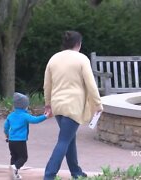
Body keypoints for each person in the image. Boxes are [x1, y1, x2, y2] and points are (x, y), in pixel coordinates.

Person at [43, 31, 103, 180]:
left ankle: (76, 172)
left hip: (58, 105)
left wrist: (48, 104)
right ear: (79, 44)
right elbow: (91, 84)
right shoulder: (82, 59)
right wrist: (97, 104)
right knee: (64, 140)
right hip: (73, 106)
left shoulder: (54, 58)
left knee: (69, 138)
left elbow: (47, 84)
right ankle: (49, 175)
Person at [4, 92, 50, 180]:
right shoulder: (25, 115)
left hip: (11, 141)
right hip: (20, 140)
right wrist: (45, 116)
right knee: (23, 157)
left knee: (14, 156)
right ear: (25, 106)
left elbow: (6, 127)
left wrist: (7, 135)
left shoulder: (10, 115)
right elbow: (35, 120)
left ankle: (14, 174)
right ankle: (15, 168)